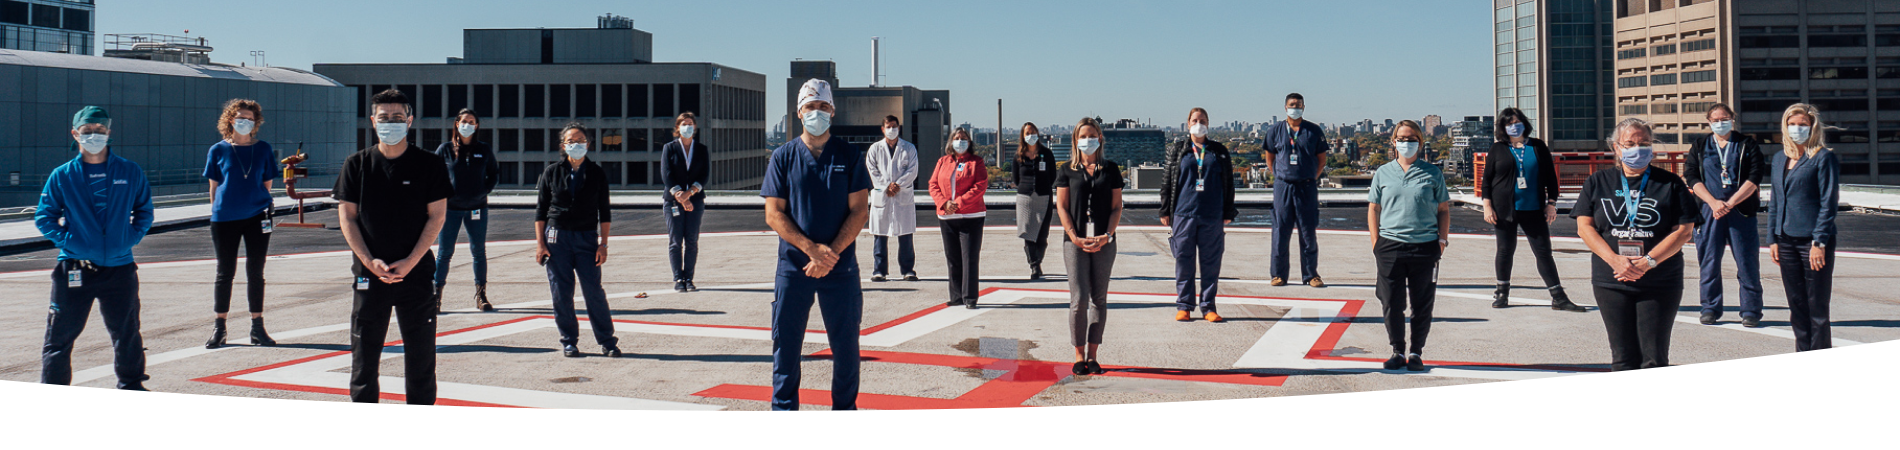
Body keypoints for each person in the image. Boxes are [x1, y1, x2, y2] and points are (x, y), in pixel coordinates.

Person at [334, 89, 453, 405]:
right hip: (369, 275)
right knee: (364, 355)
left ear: (410, 121)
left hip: (415, 275)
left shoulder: (429, 165)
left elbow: (437, 216)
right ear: (373, 121)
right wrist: (369, 260)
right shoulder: (356, 165)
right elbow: (347, 218)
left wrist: (411, 261)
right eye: (384, 118)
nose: (391, 123)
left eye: (397, 118)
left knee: (421, 356)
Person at [761, 79, 871, 411]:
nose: (817, 113)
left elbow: (859, 210)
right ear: (799, 113)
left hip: (841, 269)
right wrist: (812, 250)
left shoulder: (849, 155)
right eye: (810, 107)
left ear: (833, 111)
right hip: (794, 268)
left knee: (847, 348)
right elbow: (773, 214)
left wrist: (830, 254)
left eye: (823, 107)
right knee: (786, 348)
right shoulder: (783, 157)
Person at [36, 106, 154, 392]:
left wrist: (129, 239)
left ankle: (131, 385)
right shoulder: (63, 175)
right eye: (87, 130)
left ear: (109, 133)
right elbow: (45, 216)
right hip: (75, 269)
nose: (94, 135)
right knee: (60, 336)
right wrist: (71, 243)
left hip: (120, 267)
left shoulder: (129, 171)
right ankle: (53, 392)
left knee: (126, 331)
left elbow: (144, 211)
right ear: (75, 133)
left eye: (99, 130)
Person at [1571, 118, 1699, 372]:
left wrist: (1648, 261)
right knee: (1623, 358)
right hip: (1612, 281)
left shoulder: (1671, 184)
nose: (1637, 148)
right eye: (1629, 143)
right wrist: (1614, 259)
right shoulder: (1598, 182)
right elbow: (1584, 228)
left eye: (1644, 143)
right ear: (1616, 148)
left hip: (1659, 280)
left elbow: (1684, 231)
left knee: (1654, 359)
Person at [1365, 121, 1450, 372]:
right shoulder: (1383, 172)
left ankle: (1416, 352)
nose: (1406, 142)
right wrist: (1375, 242)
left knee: (1422, 302)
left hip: (1424, 247)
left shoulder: (1432, 173)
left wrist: (1442, 241)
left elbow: (1443, 209)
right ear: (1393, 142)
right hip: (1390, 246)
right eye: (1401, 138)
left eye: (1411, 138)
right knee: (1391, 301)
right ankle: (1397, 350)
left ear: (1420, 142)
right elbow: (1374, 208)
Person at [1482, 107, 1584, 311]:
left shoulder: (1537, 146)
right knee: (1505, 251)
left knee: (1543, 252)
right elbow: (1487, 180)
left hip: (1533, 208)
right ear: (1502, 127)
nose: (1513, 126)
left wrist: (1551, 203)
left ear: (1524, 123)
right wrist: (1487, 206)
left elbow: (1550, 178)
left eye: (1517, 122)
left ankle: (1559, 297)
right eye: (1509, 123)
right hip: (1504, 209)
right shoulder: (1498, 148)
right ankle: (1502, 293)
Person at [535, 123, 621, 358]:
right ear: (563, 145)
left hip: (586, 238)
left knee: (593, 290)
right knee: (561, 292)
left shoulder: (597, 173)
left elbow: (605, 211)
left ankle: (607, 341)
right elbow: (541, 211)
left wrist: (603, 244)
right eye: (571, 141)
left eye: (580, 140)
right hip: (556, 238)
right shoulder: (551, 172)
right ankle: (569, 341)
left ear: (588, 144)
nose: (576, 144)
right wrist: (540, 244)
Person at [202, 99, 281, 348]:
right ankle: (219, 328)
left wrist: (259, 205)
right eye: (240, 117)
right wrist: (217, 212)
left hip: (257, 216)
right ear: (230, 120)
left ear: (256, 123)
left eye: (249, 118)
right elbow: (213, 188)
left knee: (256, 272)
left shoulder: (264, 149)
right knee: (225, 273)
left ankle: (257, 327)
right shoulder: (218, 150)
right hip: (224, 218)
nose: (244, 122)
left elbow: (267, 184)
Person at [1767, 103, 1840, 365]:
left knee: (1817, 307)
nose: (1797, 129)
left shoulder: (1822, 157)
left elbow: (1828, 203)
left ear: (1812, 128)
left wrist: (1819, 241)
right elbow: (1775, 200)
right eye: (1792, 124)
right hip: (1785, 241)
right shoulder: (1779, 158)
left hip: (1813, 242)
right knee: (1796, 306)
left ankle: (1823, 363)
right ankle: (1804, 361)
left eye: (1802, 125)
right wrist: (1772, 238)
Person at [1684, 103, 1768, 327]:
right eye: (1716, 120)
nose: (1721, 123)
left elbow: (1755, 175)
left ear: (1733, 119)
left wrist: (1730, 203)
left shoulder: (1746, 144)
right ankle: (1710, 307)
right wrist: (1713, 202)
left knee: (1747, 262)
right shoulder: (1700, 145)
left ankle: (1751, 310)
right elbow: (1691, 175)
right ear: (1709, 122)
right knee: (1709, 262)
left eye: (1725, 118)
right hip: (1709, 211)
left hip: (1740, 210)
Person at [1055, 117, 1123, 376]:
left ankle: (1094, 355)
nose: (1087, 140)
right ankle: (1078, 354)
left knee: (1099, 299)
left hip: (1104, 241)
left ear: (1100, 138)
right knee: (1079, 298)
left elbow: (1117, 207)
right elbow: (1061, 206)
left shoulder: (1112, 169)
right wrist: (1073, 235)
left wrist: (1107, 235)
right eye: (1083, 136)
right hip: (1075, 241)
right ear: (1075, 140)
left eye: (1092, 135)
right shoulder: (1066, 170)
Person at [1159, 108, 1238, 322]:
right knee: (1184, 261)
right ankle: (1184, 305)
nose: (1198, 123)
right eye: (1195, 120)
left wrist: (1229, 211)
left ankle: (1208, 306)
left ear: (1208, 124)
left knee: (1210, 262)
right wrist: (1165, 210)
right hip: (1183, 213)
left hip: (1211, 213)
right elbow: (1167, 181)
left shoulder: (1219, 151)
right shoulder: (1177, 150)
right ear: (1187, 124)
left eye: (1202, 120)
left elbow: (1229, 184)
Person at [432, 108, 498, 312]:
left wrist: (482, 191)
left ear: (477, 125)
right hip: (450, 209)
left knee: (478, 252)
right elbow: (434, 176)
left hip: (477, 208)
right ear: (456, 124)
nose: (467, 125)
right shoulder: (444, 149)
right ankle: (436, 296)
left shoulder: (484, 149)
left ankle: (481, 295)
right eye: (464, 121)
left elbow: (493, 174)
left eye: (471, 121)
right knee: (444, 253)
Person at [1262, 93, 1328, 287]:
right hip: (1283, 186)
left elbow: (1322, 160)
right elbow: (1269, 158)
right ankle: (1278, 274)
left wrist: (1309, 177)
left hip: (1306, 186)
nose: (1295, 107)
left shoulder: (1314, 131)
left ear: (1304, 107)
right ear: (1285, 107)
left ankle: (1311, 274)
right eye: (1292, 105)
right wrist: (1281, 175)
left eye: (1298, 105)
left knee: (1307, 232)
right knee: (1280, 230)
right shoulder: (1274, 130)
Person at [930, 127, 988, 309]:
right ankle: (956, 295)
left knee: (969, 257)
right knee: (953, 258)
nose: (960, 141)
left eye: (963, 138)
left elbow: (980, 185)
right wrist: (944, 203)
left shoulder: (976, 162)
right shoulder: (942, 161)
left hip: (971, 216)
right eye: (957, 138)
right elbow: (933, 185)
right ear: (951, 141)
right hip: (947, 217)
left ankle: (970, 297)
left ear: (969, 142)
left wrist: (959, 203)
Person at [865, 115, 919, 282]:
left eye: (894, 126)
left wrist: (898, 185)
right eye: (888, 126)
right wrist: (887, 186)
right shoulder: (875, 149)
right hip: (883, 195)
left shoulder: (909, 148)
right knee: (880, 235)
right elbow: (872, 170)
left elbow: (912, 170)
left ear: (899, 128)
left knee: (906, 235)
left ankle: (908, 269)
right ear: (883, 129)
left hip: (902, 195)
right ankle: (879, 270)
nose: (891, 129)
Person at [662, 112, 710, 292]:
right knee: (675, 241)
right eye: (684, 124)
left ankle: (689, 278)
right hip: (673, 201)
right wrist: (680, 196)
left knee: (691, 241)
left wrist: (690, 193)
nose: (687, 127)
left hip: (695, 201)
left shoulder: (701, 149)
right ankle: (678, 279)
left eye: (690, 124)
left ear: (695, 128)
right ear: (677, 128)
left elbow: (704, 175)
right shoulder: (669, 148)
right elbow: (666, 174)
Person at [1013, 122, 1059, 280]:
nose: (1030, 135)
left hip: (1044, 195)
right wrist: (1027, 187)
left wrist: (1042, 186)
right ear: (1023, 136)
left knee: (1042, 234)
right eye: (1027, 133)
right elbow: (1016, 178)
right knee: (1027, 233)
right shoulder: (1018, 155)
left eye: (1033, 132)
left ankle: (1038, 259)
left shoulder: (1046, 153)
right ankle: (1034, 265)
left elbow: (1053, 175)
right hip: (1025, 197)